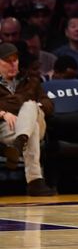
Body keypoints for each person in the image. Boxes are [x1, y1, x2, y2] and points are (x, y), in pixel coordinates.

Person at [0, 43, 57, 195]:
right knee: (32, 130)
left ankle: (19, 143)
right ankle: (35, 182)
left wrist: (33, 107)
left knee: (30, 106)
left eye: (15, 60)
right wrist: (3, 114)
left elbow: (49, 104)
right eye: (7, 61)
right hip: (8, 127)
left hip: (36, 120)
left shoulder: (31, 81)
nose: (13, 64)